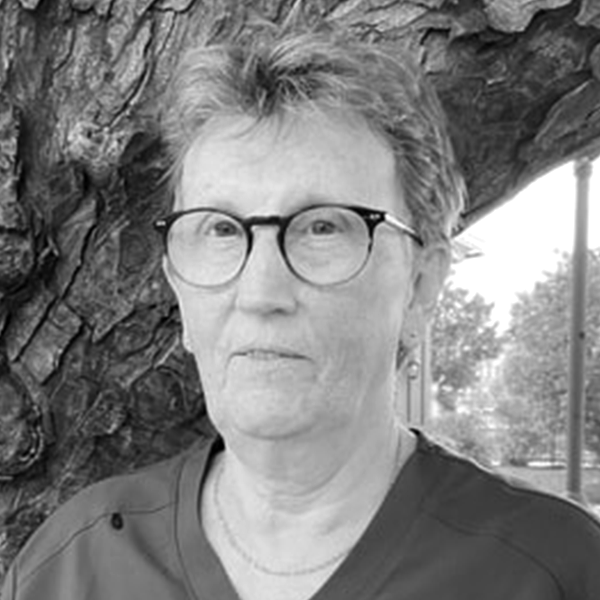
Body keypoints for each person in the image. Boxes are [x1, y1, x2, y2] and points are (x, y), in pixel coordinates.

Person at [3, 11, 600, 600]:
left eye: (322, 228)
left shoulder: (553, 570)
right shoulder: (72, 569)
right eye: (221, 229)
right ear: (177, 286)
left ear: (421, 284)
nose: (261, 292)